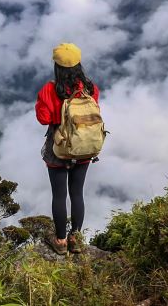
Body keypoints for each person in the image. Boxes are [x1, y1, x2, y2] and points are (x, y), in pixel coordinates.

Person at [35, 43, 99, 255]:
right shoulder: (90, 88)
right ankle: (76, 239)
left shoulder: (50, 89)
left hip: (59, 148)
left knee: (59, 195)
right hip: (84, 147)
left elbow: (43, 119)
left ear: (57, 65)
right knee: (77, 193)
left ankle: (61, 241)